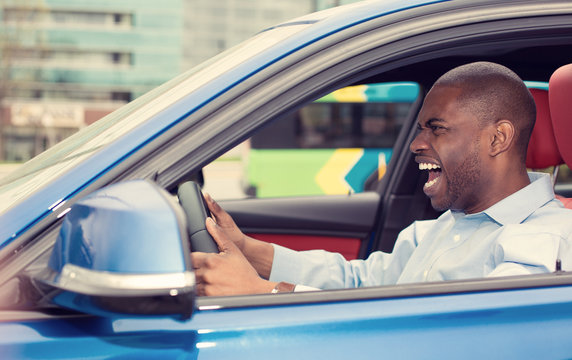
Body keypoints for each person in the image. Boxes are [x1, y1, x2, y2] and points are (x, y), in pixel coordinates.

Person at [191, 61, 572, 296]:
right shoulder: (439, 229)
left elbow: (456, 334)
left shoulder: (546, 240)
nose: (416, 144)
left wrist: (264, 293)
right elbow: (362, 284)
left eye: (436, 129)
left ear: (497, 138)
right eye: (420, 129)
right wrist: (247, 249)